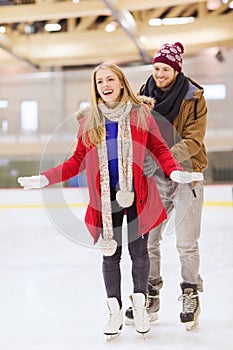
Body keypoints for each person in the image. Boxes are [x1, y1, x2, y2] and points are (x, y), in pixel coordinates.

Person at [17, 62, 203, 338]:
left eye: (110, 79)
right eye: (100, 82)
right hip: (105, 201)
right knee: (110, 255)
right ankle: (114, 312)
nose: (105, 85)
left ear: (121, 83)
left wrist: (175, 171)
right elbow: (75, 162)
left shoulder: (141, 114)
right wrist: (45, 178)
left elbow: (160, 150)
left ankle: (140, 307)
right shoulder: (89, 120)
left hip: (138, 196)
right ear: (96, 88)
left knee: (140, 253)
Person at [125, 42, 208, 331]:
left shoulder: (193, 97)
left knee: (186, 243)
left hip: (187, 174)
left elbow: (194, 141)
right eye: (156, 68)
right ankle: (150, 295)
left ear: (176, 69)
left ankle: (190, 293)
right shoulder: (141, 97)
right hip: (154, 178)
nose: (159, 74)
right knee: (149, 241)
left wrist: (163, 158)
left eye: (165, 69)